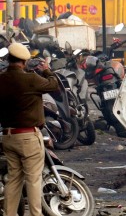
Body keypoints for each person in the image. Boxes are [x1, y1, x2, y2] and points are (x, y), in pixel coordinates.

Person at [0, 43, 59, 216]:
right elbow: (54, 85)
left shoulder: (1, 79)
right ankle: (35, 214)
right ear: (24, 62)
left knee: (13, 179)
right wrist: (47, 69)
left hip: (8, 137)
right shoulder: (30, 79)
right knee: (33, 179)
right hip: (28, 137)